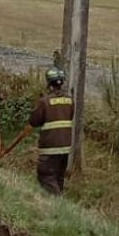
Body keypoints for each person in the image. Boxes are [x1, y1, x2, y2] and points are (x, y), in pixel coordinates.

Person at [28, 67, 74, 195]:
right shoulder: (70, 101)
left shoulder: (44, 102)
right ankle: (56, 206)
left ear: (49, 84)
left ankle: (58, 205)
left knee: (46, 176)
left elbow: (33, 121)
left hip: (50, 149)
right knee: (58, 178)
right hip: (65, 149)